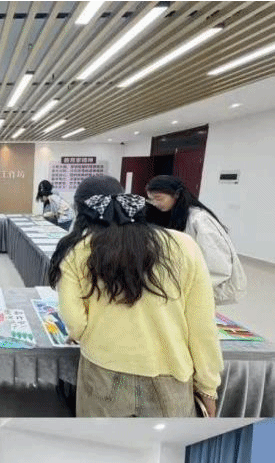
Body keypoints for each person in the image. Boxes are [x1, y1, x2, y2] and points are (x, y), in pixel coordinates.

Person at [48, 176, 222, 418]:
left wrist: (83, 333)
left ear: (82, 210)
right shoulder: (184, 245)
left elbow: (75, 322)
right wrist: (208, 388)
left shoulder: (78, 250)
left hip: (103, 371)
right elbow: (202, 326)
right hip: (170, 375)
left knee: (100, 440)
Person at [146, 174, 247, 305]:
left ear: (176, 194)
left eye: (159, 198)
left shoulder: (199, 219)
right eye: (151, 199)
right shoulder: (173, 216)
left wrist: (185, 287)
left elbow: (218, 266)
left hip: (207, 286)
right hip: (189, 283)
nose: (155, 204)